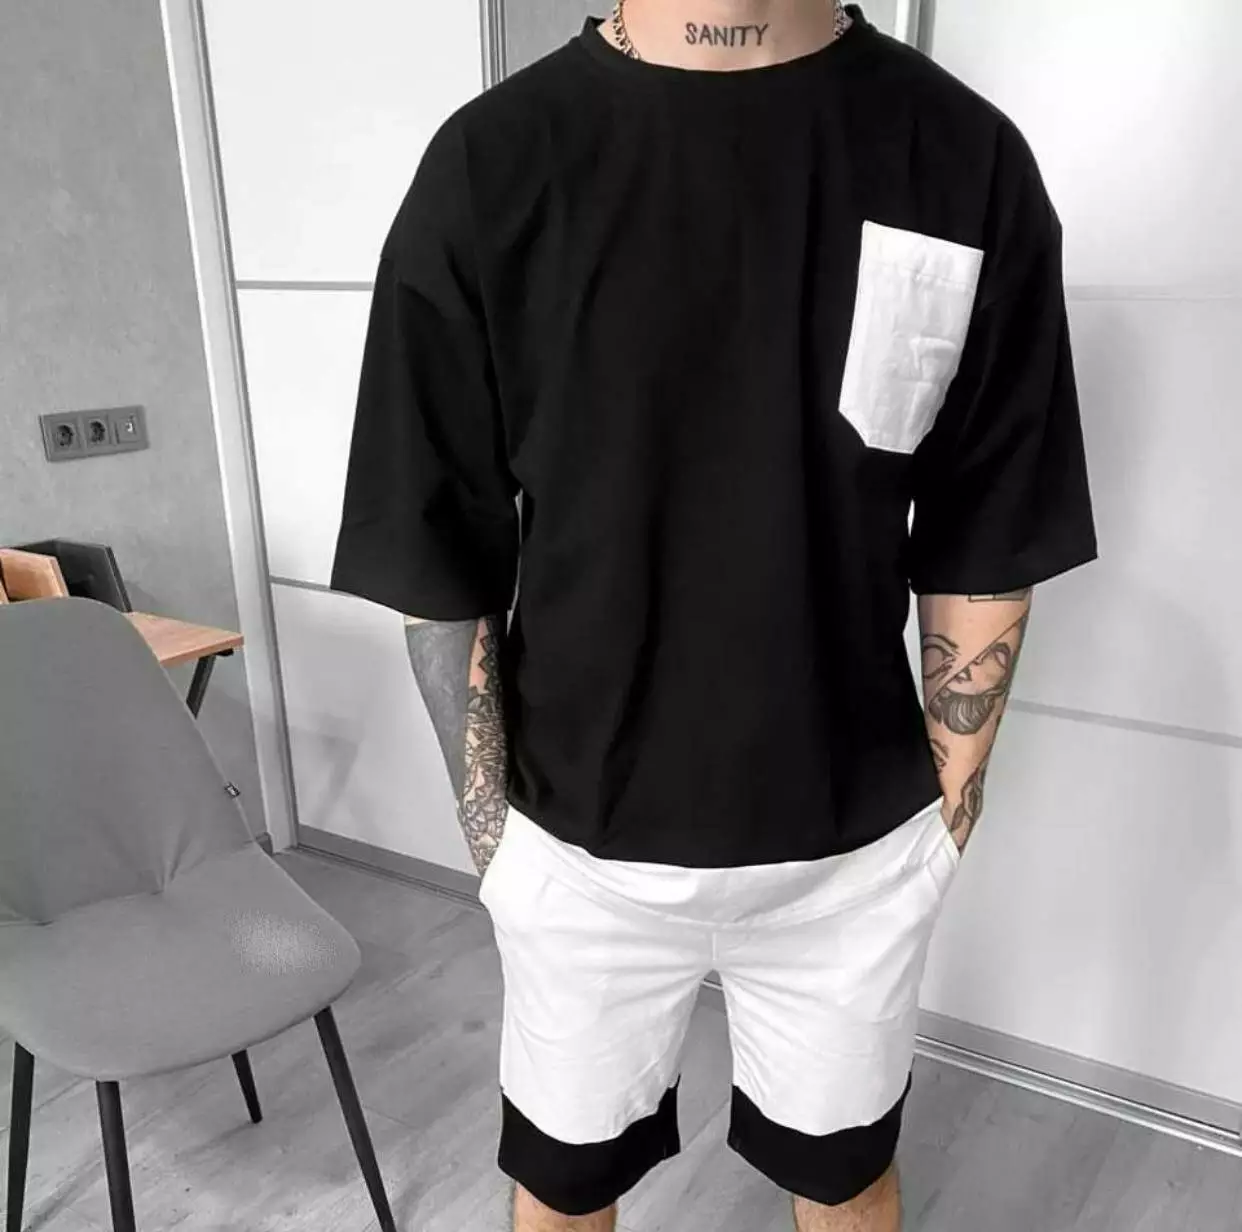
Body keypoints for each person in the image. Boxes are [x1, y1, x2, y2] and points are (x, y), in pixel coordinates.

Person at [331, 1, 1097, 1228]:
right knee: (560, 1188)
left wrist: (943, 820)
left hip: (856, 852)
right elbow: (438, 550)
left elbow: (989, 525)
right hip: (574, 847)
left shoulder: (961, 155)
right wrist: (499, 847)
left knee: (849, 1182)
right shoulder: (493, 161)